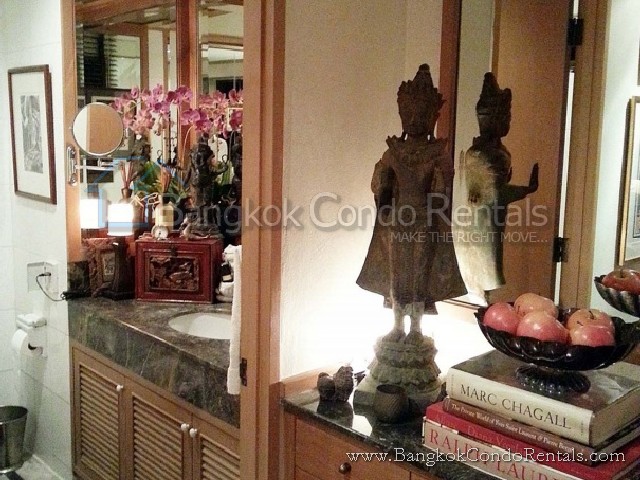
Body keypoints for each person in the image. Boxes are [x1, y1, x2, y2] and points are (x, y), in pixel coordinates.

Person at [357, 64, 467, 345]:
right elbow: (380, 187)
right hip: (398, 221)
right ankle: (397, 325)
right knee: (397, 274)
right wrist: (382, 180)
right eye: (409, 113)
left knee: (420, 273)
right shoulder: (393, 152)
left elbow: (442, 192)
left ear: (432, 117)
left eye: (421, 114)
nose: (415, 119)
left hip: (424, 222)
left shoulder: (437, 153)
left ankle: (416, 327)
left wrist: (441, 181)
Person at [452, 72, 538, 301]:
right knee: (484, 262)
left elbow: (494, 191)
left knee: (487, 262)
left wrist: (520, 190)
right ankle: (480, 297)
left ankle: (483, 297)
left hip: (490, 217)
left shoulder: (497, 153)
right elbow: (493, 193)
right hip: (480, 219)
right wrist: (524, 190)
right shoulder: (480, 155)